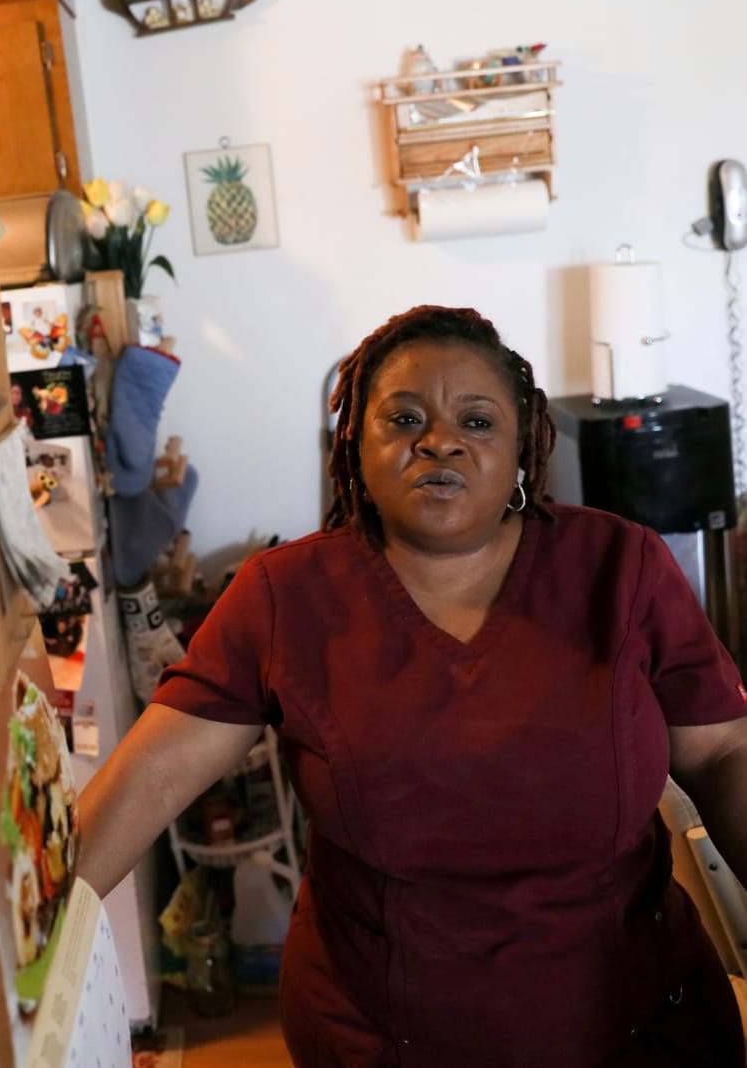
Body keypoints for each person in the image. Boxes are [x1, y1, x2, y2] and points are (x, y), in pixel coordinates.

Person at [78, 305, 747, 1068]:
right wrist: (38, 951)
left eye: (478, 420)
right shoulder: (284, 596)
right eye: (403, 417)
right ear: (354, 443)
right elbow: (157, 773)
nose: (440, 439)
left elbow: (724, 748)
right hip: (386, 1042)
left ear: (523, 445)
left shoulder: (620, 569)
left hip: (639, 1031)